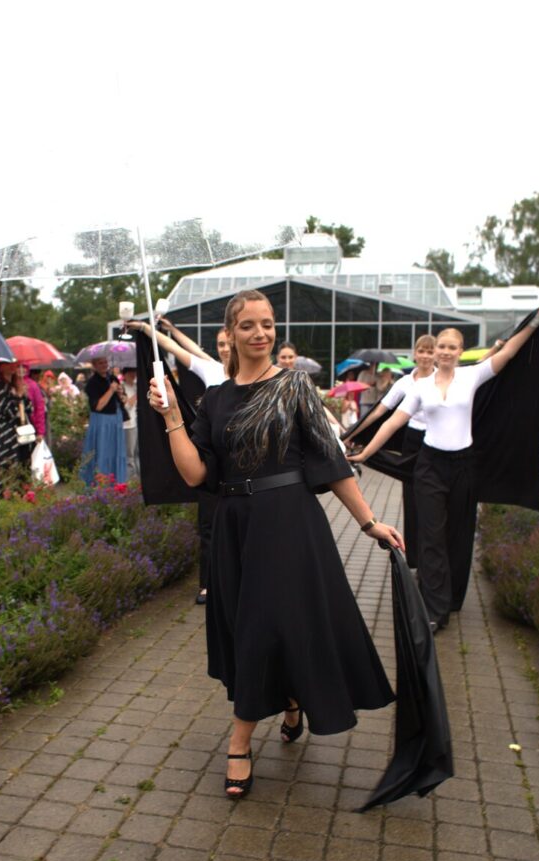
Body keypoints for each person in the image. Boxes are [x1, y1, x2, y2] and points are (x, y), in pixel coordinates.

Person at [148, 289, 403, 799]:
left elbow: (330, 460)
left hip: (289, 523)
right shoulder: (215, 399)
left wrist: (369, 521)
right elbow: (196, 473)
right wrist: (172, 415)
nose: (260, 333)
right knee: (253, 626)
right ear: (230, 334)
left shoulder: (294, 386)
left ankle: (239, 742)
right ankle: (290, 699)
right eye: (248, 325)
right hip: (235, 528)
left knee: (265, 625)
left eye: (267, 323)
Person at [349, 303, 539, 632]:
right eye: (441, 346)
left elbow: (509, 352)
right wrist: (365, 454)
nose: (445, 352)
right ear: (436, 352)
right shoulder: (420, 387)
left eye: (451, 347)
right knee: (431, 536)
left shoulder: (472, 375)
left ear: (460, 351)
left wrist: (536, 320)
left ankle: (452, 596)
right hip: (429, 466)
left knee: (457, 535)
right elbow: (392, 422)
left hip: (463, 467)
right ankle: (435, 610)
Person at [133, 318, 229, 605]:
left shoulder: (254, 375)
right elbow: (178, 349)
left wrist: (173, 330)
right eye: (221, 344)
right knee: (209, 522)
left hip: (242, 461)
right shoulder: (212, 369)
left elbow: (191, 348)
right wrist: (148, 330)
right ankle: (207, 583)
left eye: (228, 343)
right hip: (214, 458)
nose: (225, 348)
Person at [345, 335, 436, 567]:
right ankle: (416, 558)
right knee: (412, 501)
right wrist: (351, 434)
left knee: (434, 504)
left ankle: (433, 557)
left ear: (435, 354)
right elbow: (379, 412)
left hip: (436, 444)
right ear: (415, 354)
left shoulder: (444, 379)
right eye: (421, 351)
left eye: (430, 351)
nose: (425, 356)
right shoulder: (405, 382)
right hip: (412, 441)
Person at [0, 362, 35, 493]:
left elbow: (29, 409)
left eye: (15, 364)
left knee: (24, 466)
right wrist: (18, 397)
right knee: (7, 467)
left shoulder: (17, 385)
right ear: (0, 367)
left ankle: (23, 495)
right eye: (9, 364)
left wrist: (22, 395)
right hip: (5, 435)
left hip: (22, 434)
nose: (13, 366)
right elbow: (9, 412)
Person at [80, 356, 127, 486]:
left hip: (116, 419)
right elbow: (98, 406)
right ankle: (101, 482)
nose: (104, 365)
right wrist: (111, 390)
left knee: (116, 451)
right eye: (100, 363)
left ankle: (117, 481)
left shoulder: (112, 378)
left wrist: (120, 393)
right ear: (94, 365)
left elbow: (123, 401)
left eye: (105, 362)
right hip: (102, 421)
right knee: (103, 451)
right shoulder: (92, 383)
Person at [120, 366, 140, 480]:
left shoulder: (136, 386)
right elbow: (127, 406)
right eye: (130, 372)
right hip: (128, 424)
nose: (133, 375)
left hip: (137, 422)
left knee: (137, 452)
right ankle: (131, 478)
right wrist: (137, 394)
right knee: (130, 454)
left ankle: (138, 475)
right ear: (125, 374)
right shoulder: (122, 387)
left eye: (134, 372)